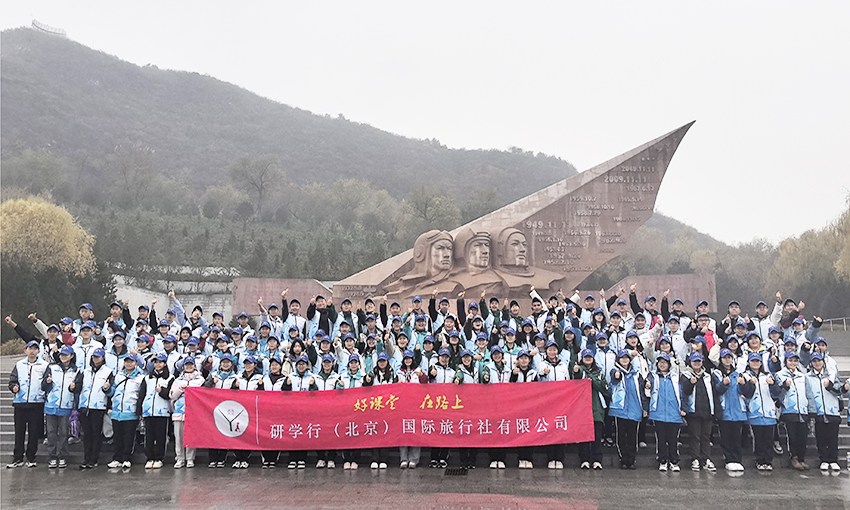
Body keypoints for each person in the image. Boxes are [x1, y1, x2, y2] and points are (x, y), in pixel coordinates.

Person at [6, 339, 49, 468]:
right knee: (19, 432)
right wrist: (14, 387)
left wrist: (47, 384)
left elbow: (46, 384)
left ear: (38, 351)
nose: (32, 351)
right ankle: (17, 458)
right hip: (20, 402)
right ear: (25, 350)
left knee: (33, 432)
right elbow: (12, 380)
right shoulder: (19, 364)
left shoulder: (44, 365)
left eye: (35, 349)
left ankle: (31, 457)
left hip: (36, 403)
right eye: (30, 348)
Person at [806, 352, 847, 472]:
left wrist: (831, 386)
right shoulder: (808, 377)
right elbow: (809, 395)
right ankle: (824, 459)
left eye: (819, 360)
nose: (817, 363)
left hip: (832, 410)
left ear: (823, 362)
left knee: (833, 437)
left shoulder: (831, 375)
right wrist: (812, 411)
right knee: (821, 437)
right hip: (818, 411)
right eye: (814, 361)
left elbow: (839, 390)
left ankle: (833, 460)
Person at [72, 347, 113, 469]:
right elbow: (78, 386)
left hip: (98, 406)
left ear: (103, 358)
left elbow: (110, 390)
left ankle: (94, 459)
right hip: (84, 406)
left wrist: (107, 388)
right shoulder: (85, 371)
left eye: (98, 357)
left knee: (96, 434)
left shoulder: (108, 371)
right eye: (94, 357)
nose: (96, 359)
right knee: (86, 434)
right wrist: (73, 387)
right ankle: (86, 459)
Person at [740, 352, 780, 471]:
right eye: (753, 361)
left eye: (757, 361)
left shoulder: (768, 376)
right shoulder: (745, 376)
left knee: (768, 439)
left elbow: (776, 393)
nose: (755, 363)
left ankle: (768, 461)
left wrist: (772, 385)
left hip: (769, 413)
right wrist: (750, 384)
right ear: (748, 363)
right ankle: (760, 460)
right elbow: (746, 393)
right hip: (755, 413)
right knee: (758, 439)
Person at [608, 349, 647, 469]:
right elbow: (614, 378)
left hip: (635, 410)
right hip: (620, 409)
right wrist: (617, 376)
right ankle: (623, 459)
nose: (624, 360)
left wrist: (645, 408)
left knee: (632, 436)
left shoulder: (637, 375)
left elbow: (642, 393)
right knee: (621, 435)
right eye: (622, 358)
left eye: (626, 358)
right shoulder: (615, 371)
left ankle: (631, 460)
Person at [681, 351, 719, 472]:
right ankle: (695, 458)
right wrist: (691, 384)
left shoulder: (708, 376)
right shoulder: (686, 375)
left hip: (707, 411)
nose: (697, 363)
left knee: (706, 437)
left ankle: (706, 458)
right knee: (695, 436)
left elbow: (713, 393)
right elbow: (685, 392)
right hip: (693, 411)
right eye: (694, 361)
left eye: (698, 361)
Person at [646, 352, 684, 472]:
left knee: (673, 439)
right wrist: (647, 385)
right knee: (661, 439)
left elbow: (681, 394)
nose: (662, 365)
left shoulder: (675, 377)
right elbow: (646, 387)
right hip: (658, 413)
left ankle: (674, 461)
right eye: (660, 362)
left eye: (664, 362)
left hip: (674, 413)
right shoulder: (653, 376)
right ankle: (662, 460)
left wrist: (683, 408)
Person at [573, 348, 608, 470]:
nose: (588, 359)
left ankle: (597, 460)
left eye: (590, 357)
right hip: (582, 407)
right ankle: (584, 459)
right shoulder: (579, 369)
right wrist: (577, 372)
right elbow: (576, 378)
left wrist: (591, 380)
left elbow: (604, 388)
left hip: (597, 407)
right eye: (586, 357)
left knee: (597, 436)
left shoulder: (599, 372)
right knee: (583, 436)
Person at [107, 354, 145, 469]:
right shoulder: (118, 376)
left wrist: (139, 411)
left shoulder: (141, 377)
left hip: (131, 411)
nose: (129, 364)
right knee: (117, 437)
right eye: (127, 361)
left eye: (131, 362)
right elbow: (112, 391)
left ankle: (127, 458)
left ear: (136, 363)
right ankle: (117, 458)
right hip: (116, 411)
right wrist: (107, 388)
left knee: (129, 437)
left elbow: (141, 395)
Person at [43, 345, 78, 469]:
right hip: (51, 405)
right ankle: (52, 456)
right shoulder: (52, 368)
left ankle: (63, 456)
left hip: (66, 405)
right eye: (62, 354)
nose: (63, 357)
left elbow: (78, 389)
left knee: (63, 433)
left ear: (71, 356)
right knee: (51, 433)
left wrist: (74, 389)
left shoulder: (76, 370)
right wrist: (47, 382)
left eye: (66, 355)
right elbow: (43, 386)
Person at [712, 348, 747, 472]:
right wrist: (723, 384)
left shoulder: (738, 374)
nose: (727, 360)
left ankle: (737, 459)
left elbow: (745, 392)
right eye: (724, 357)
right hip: (724, 410)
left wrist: (743, 384)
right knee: (725, 437)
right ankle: (729, 459)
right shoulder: (716, 374)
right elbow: (717, 390)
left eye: (729, 357)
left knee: (736, 437)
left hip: (737, 410)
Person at [774, 351, 810, 470]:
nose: (793, 363)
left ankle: (801, 458)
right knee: (792, 437)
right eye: (790, 360)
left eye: (795, 361)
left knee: (802, 436)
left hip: (802, 410)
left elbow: (807, 393)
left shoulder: (802, 376)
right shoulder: (779, 375)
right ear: (785, 361)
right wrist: (785, 386)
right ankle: (793, 457)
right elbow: (777, 394)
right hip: (788, 410)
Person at [203, 353, 239, 467]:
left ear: (231, 364)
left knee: (224, 433)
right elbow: (203, 388)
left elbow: (237, 394)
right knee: (212, 434)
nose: (225, 364)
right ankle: (212, 458)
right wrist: (211, 382)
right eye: (223, 362)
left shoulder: (235, 377)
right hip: (213, 408)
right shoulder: (213, 375)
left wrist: (236, 386)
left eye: (228, 362)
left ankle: (221, 458)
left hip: (227, 409)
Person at [140, 352, 173, 469]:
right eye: (156, 362)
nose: (158, 364)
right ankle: (149, 457)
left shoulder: (170, 378)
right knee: (149, 436)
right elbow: (142, 394)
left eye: (160, 362)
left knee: (160, 436)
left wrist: (162, 391)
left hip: (162, 412)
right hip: (148, 411)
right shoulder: (147, 378)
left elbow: (171, 395)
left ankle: (159, 458)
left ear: (165, 364)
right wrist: (140, 409)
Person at [170, 356, 204, 468]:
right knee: (178, 437)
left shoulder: (200, 380)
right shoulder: (177, 380)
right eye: (186, 365)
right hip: (179, 411)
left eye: (191, 364)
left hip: (193, 412)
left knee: (190, 436)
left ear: (194, 366)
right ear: (183, 366)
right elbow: (172, 395)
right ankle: (180, 458)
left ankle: (190, 458)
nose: (189, 367)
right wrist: (181, 388)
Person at [397, 350, 426, 469]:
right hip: (402, 406)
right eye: (406, 358)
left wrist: (421, 376)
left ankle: (414, 459)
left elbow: (425, 383)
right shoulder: (399, 372)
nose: (408, 360)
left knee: (415, 431)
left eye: (410, 358)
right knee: (403, 431)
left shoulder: (418, 370)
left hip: (415, 405)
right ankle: (404, 458)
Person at [509, 350, 536, 469]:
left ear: (529, 360)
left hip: (530, 407)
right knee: (520, 431)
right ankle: (521, 457)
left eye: (526, 358)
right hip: (518, 407)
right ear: (518, 360)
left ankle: (529, 458)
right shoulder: (514, 372)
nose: (524, 360)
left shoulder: (533, 373)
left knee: (530, 432)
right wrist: (514, 375)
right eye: (521, 358)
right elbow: (510, 386)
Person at [313, 353, 341, 469]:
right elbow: (312, 393)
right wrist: (312, 386)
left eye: (329, 362)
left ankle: (331, 458)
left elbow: (339, 393)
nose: (327, 365)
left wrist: (340, 387)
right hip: (319, 410)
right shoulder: (316, 377)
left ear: (332, 364)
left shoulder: (336, 377)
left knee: (331, 434)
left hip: (332, 411)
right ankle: (320, 458)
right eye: (325, 362)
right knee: (319, 434)